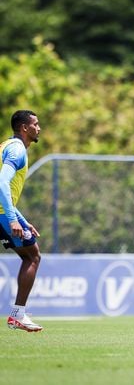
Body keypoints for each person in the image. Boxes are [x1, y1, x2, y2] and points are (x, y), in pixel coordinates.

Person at [0, 110, 43, 332]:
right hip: (1, 214)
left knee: (31, 254)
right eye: (35, 124)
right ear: (24, 128)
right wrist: (11, 219)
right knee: (33, 256)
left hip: (4, 212)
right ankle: (18, 314)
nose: (39, 128)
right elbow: (2, 184)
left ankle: (18, 314)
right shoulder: (17, 150)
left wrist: (22, 221)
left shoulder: (6, 146)